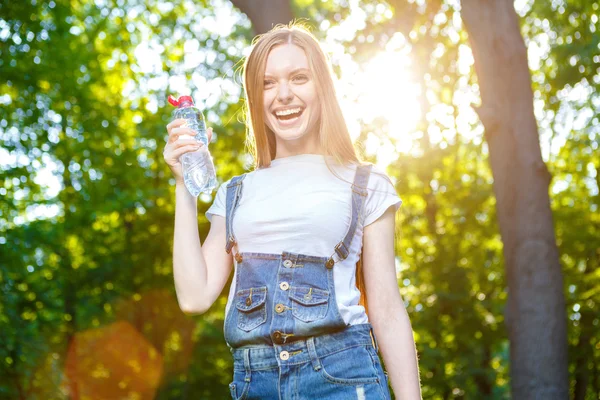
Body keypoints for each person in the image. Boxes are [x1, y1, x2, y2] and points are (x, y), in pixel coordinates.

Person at [163, 22, 421, 400]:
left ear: (322, 88)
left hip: (344, 380)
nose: (283, 95)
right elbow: (194, 296)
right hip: (256, 384)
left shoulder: (365, 184)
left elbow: (385, 308)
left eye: (298, 78)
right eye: (267, 83)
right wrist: (184, 184)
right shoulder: (236, 193)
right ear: (255, 97)